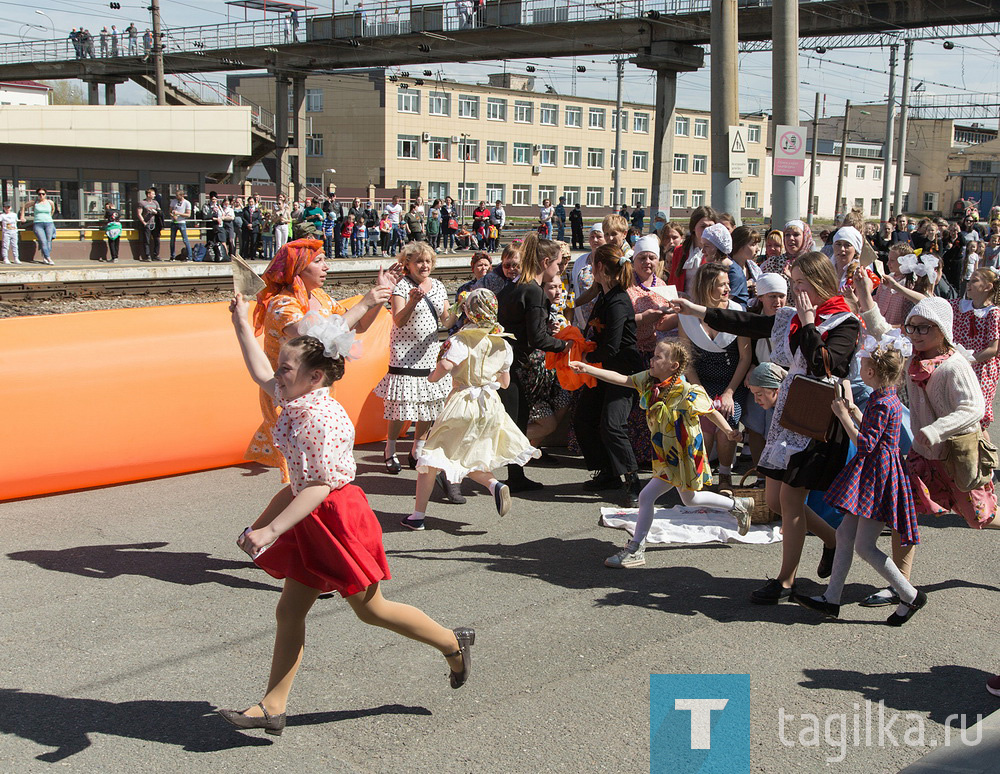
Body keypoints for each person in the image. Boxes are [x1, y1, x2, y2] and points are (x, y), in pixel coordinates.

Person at [219, 296, 475, 736]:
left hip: (336, 516)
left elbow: (318, 487)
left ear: (315, 376)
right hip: (309, 514)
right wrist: (241, 322)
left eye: (287, 368)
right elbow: (261, 376)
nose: (277, 374)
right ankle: (273, 706)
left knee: (371, 610)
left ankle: (453, 642)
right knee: (289, 611)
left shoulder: (320, 417)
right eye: (281, 365)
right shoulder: (297, 397)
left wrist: (271, 530)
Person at [667, 251, 853, 605]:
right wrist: (698, 311)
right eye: (793, 282)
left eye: (801, 283)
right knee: (774, 499)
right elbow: (747, 323)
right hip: (789, 414)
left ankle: (785, 582)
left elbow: (824, 365)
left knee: (790, 500)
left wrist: (811, 323)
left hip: (817, 419)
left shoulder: (844, 321)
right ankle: (832, 539)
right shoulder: (792, 317)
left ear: (819, 283)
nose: (795, 291)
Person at [570, 339, 754, 568]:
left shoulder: (687, 390)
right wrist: (588, 368)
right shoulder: (648, 380)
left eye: (658, 356)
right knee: (690, 498)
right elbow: (623, 379)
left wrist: (728, 431)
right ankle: (738, 505)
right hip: (666, 452)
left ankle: (636, 549)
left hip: (684, 453)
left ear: (673, 365)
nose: (652, 359)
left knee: (652, 497)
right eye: (654, 355)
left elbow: (710, 411)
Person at [792, 331, 924, 624]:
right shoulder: (885, 396)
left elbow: (865, 445)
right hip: (879, 473)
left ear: (871, 371)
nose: (858, 369)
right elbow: (878, 436)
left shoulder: (881, 402)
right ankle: (831, 598)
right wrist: (855, 412)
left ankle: (910, 596)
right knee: (844, 535)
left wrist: (843, 416)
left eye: (862, 365)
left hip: (877, 478)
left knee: (864, 546)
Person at [247, 239, 393, 482]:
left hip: (317, 391)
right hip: (289, 393)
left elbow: (361, 325)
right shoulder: (283, 304)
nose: (327, 267)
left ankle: (303, 512)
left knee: (317, 463)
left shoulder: (321, 298)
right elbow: (316, 339)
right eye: (318, 261)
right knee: (302, 466)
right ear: (298, 269)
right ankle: (298, 513)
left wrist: (380, 298)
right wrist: (365, 301)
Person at [407, 288, 539, 529]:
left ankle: (418, 516)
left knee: (430, 456)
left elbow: (445, 366)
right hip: (489, 405)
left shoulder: (459, 340)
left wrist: (432, 376)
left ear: (467, 311)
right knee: (471, 455)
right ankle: (494, 485)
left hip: (463, 402)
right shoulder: (503, 344)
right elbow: (505, 383)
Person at [375, 242, 457, 480]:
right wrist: (412, 300)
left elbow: (447, 321)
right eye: (420, 261)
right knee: (399, 404)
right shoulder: (401, 286)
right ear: (408, 264)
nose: (425, 266)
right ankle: (390, 448)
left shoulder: (439, 286)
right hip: (405, 353)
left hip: (430, 352)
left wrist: (461, 308)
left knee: (428, 402)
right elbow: (398, 320)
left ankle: (417, 449)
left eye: (428, 261)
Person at [497, 234, 571, 493]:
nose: (560, 268)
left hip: (506, 362)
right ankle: (512, 477)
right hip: (516, 366)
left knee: (515, 420)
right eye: (559, 263)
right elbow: (537, 337)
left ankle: (516, 476)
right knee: (515, 421)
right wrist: (564, 345)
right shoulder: (534, 291)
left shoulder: (518, 286)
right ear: (546, 261)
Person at [574, 243, 644, 507]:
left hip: (624, 370)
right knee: (584, 418)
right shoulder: (605, 295)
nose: (591, 267)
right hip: (604, 368)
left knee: (613, 424)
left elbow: (612, 345)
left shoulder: (617, 300)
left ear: (599, 267)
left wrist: (584, 360)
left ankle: (633, 481)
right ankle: (608, 472)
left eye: (593, 263)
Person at [678, 263, 751, 488]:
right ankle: (702, 475)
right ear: (707, 286)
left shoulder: (738, 312)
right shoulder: (688, 316)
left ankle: (725, 475)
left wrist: (729, 392)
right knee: (704, 424)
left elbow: (744, 358)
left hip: (732, 384)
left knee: (727, 420)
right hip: (702, 383)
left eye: (728, 284)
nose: (727, 289)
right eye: (722, 285)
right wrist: (699, 391)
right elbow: (686, 360)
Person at [949, 268, 1000, 428]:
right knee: (959, 415)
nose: (968, 284)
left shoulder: (992, 313)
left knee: (976, 421)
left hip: (981, 371)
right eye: (969, 280)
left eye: (974, 280)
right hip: (961, 367)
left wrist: (968, 360)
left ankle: (987, 453)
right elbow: (932, 301)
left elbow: (994, 349)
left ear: (987, 287)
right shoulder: (961, 306)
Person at [667, 205, 719, 296]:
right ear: (693, 228)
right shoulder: (679, 251)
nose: (707, 230)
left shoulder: (717, 252)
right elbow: (672, 282)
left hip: (706, 305)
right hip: (683, 305)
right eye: (703, 226)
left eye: (711, 226)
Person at [699, 222, 750, 309]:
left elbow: (724, 299)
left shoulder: (734, 273)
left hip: (734, 315)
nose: (702, 251)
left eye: (706, 246)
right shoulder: (712, 268)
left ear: (718, 247)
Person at [571, 223, 605, 328]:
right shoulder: (581, 261)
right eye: (592, 237)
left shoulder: (609, 261)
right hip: (583, 316)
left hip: (602, 317)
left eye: (599, 237)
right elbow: (574, 286)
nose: (595, 240)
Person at [19, 188, 58, 265]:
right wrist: (22, 216)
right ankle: (48, 258)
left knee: (48, 241)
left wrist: (49, 216)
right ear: (37, 195)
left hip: (49, 223)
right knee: (43, 241)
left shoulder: (50, 202)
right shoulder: (35, 202)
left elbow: (53, 210)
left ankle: (45, 257)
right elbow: (23, 206)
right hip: (38, 223)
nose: (41, 195)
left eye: (43, 194)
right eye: (39, 194)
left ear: (46, 195)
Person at [135, 188, 161, 262]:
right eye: (153, 194)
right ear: (148, 194)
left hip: (155, 224)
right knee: (147, 240)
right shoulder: (142, 203)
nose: (154, 195)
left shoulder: (155, 203)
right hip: (147, 223)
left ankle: (156, 255)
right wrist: (144, 222)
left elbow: (159, 211)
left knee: (157, 240)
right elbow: (139, 213)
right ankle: (147, 256)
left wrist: (156, 212)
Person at [168, 189, 192, 261]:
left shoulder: (187, 203)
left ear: (182, 195)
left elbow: (188, 214)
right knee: (172, 240)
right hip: (174, 222)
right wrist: (172, 215)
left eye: (177, 195)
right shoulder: (173, 201)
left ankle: (190, 257)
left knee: (185, 240)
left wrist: (178, 214)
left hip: (182, 222)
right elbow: (170, 211)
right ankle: (172, 256)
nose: (176, 197)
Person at [203, 193, 225, 262]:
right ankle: (211, 257)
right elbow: (205, 216)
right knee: (211, 242)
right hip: (211, 226)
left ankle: (222, 256)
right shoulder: (206, 206)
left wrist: (222, 218)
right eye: (213, 199)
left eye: (215, 199)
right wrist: (215, 218)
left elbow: (222, 214)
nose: (214, 201)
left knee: (221, 242)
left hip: (219, 226)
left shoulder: (218, 206)